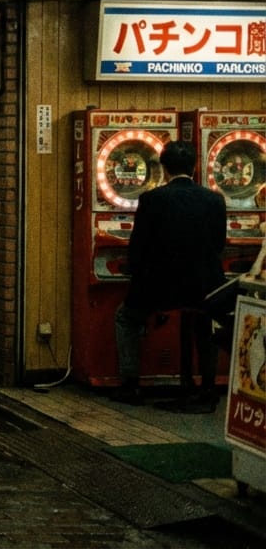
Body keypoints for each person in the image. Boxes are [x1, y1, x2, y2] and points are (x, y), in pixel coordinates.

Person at [113, 140, 226, 410]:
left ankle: (131, 385)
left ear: (164, 168)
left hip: (163, 287)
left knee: (126, 317)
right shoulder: (215, 199)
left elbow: (138, 248)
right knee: (205, 321)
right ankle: (207, 387)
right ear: (195, 167)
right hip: (206, 286)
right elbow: (219, 244)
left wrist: (137, 280)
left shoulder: (152, 199)